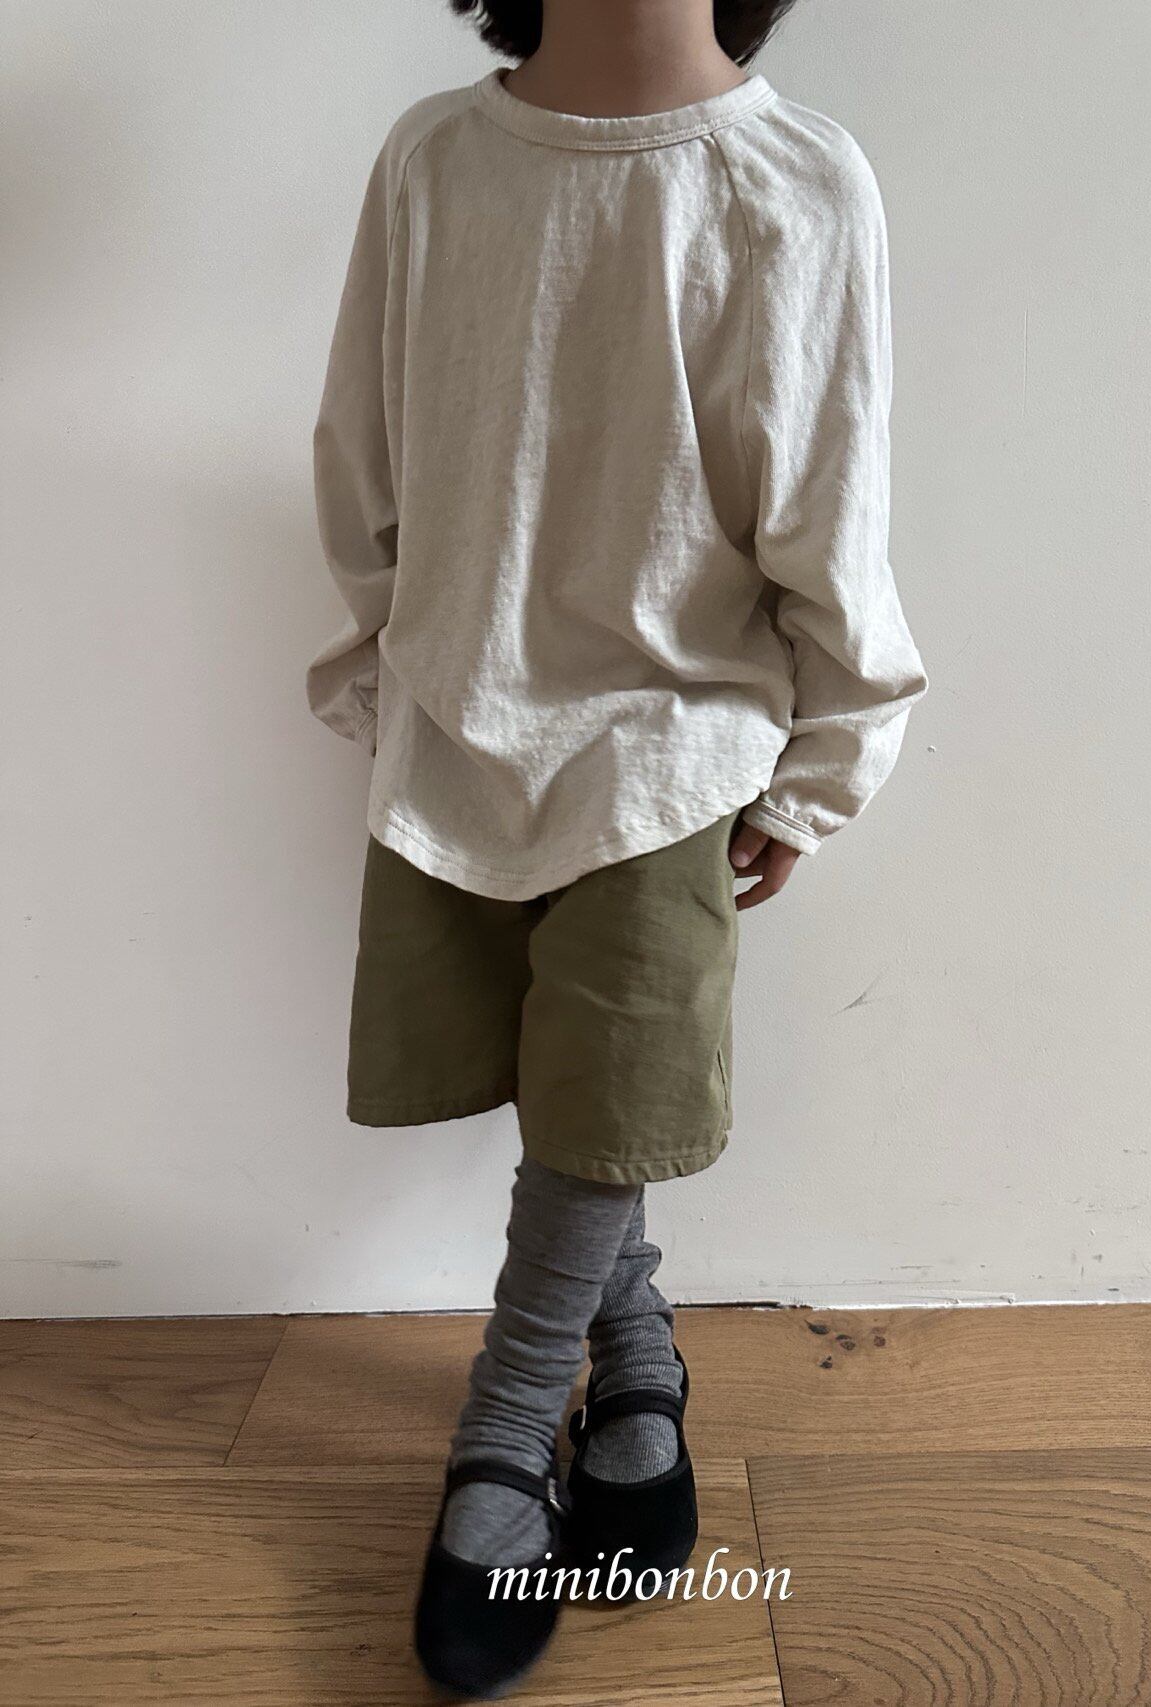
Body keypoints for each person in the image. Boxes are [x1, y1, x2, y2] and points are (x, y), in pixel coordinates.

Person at [306, 0, 927, 1692]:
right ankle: (638, 1354)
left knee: (615, 1077)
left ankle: (511, 1416)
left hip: (676, 732)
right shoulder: (438, 157)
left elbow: (833, 494)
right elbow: (366, 437)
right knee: (568, 1074)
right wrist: (385, 667)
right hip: (461, 702)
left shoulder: (795, 180)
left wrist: (821, 765)